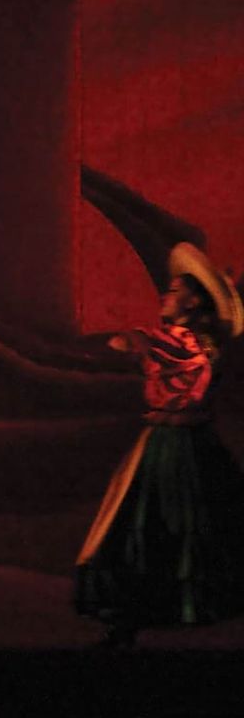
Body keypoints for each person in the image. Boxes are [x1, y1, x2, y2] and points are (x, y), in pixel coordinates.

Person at [75, 242, 244, 647]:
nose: (164, 297)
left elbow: (127, 344)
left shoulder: (183, 341)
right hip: (178, 437)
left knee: (152, 523)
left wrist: (131, 340)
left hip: (174, 442)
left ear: (192, 301)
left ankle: (137, 615)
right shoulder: (195, 342)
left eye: (172, 291)